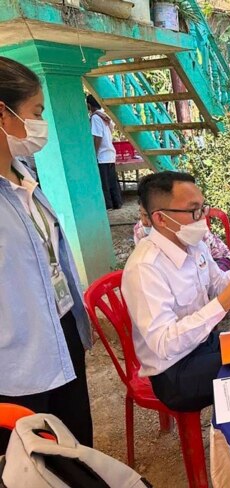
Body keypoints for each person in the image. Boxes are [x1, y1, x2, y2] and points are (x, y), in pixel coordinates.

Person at [0, 57, 93, 452]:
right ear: (2, 113)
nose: (41, 126)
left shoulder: (24, 177)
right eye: (35, 113)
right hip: (16, 364)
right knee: (32, 464)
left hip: (61, 330)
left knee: (75, 451)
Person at [121, 171, 230, 412]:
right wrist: (224, 303)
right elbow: (164, 344)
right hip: (174, 371)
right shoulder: (145, 268)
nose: (203, 219)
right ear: (161, 218)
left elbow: (218, 284)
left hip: (204, 344)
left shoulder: (194, 245)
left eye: (203, 208)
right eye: (193, 211)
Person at [133, 202, 230, 272]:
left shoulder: (192, 233)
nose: (144, 221)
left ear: (161, 217)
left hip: (217, 260)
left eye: (146, 215)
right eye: (141, 214)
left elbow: (207, 267)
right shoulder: (140, 232)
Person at [86, 94, 122, 210]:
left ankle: (108, 205)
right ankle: (117, 202)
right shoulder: (105, 116)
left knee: (104, 183)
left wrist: (94, 154)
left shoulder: (96, 118)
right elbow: (111, 130)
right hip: (110, 152)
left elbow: (97, 137)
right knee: (112, 181)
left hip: (102, 154)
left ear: (89, 105)